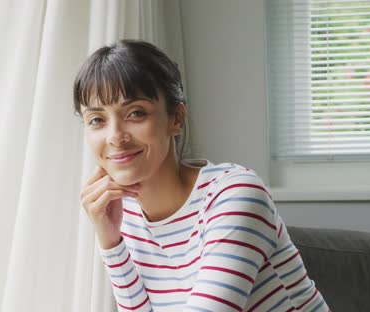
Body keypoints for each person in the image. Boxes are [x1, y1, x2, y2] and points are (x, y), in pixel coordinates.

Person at [74, 39, 329, 312]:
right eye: (97, 120)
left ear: (176, 118)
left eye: (136, 113)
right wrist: (111, 241)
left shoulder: (235, 195)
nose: (115, 137)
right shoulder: (125, 215)